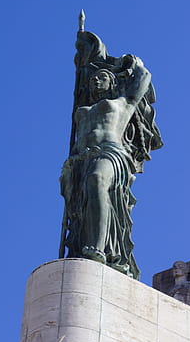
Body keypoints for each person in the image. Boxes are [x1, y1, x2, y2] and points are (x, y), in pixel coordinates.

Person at [60, 56, 155, 279]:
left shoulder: (123, 103)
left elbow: (144, 78)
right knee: (80, 211)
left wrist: (135, 64)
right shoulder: (81, 110)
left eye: (102, 77)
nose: (96, 81)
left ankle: (97, 249)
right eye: (93, 79)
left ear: (113, 83)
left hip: (110, 153)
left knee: (97, 180)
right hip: (80, 160)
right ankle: (86, 247)